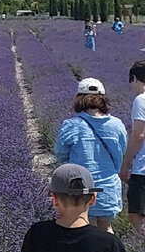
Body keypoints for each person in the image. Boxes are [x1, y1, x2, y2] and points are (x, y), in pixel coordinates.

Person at [54, 79, 127, 231]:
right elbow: (120, 155)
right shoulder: (117, 125)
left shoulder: (71, 125)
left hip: (80, 186)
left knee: (81, 228)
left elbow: (61, 154)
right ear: (103, 99)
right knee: (106, 229)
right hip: (108, 186)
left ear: (79, 99)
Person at [121, 61, 145, 231]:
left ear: (135, 79)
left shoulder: (141, 100)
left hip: (143, 168)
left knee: (136, 215)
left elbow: (138, 135)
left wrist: (125, 164)